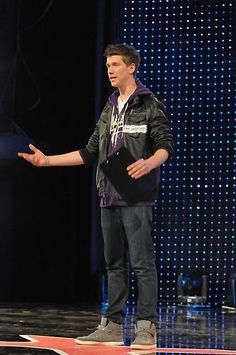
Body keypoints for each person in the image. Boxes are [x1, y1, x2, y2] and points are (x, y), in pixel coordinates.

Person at [18, 43, 174, 350]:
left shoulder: (149, 104)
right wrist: (47, 161)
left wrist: (150, 163)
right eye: (107, 66)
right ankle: (113, 326)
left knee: (142, 263)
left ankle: (146, 327)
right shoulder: (109, 107)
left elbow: (165, 144)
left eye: (116, 64)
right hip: (109, 194)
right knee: (114, 263)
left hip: (136, 195)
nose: (110, 70)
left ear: (132, 67)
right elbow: (90, 152)